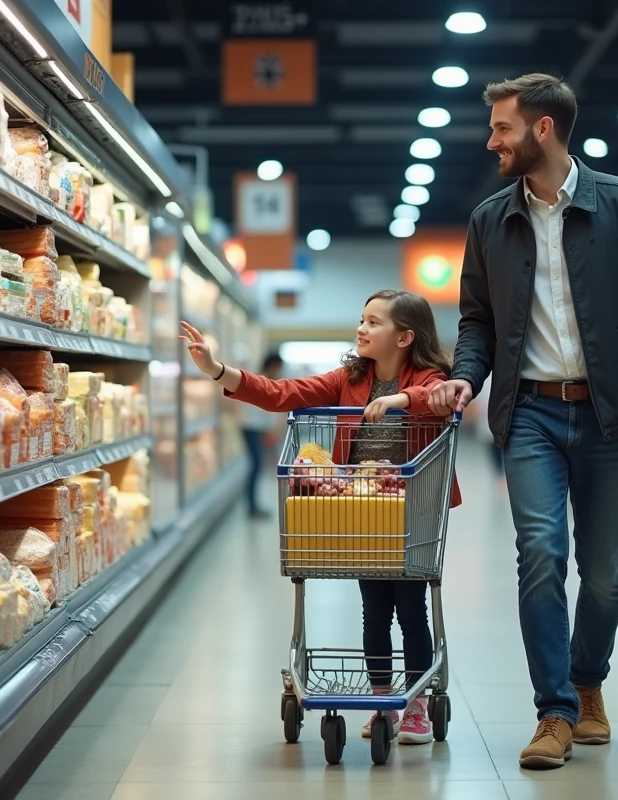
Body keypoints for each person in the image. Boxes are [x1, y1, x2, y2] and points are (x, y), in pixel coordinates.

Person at [429, 73, 618, 770]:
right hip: (531, 414)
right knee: (542, 554)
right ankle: (554, 711)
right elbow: (478, 320)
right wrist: (466, 376)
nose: (492, 141)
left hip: (608, 414)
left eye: (502, 128)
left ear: (542, 129)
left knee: (605, 573)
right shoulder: (490, 220)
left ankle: (587, 680)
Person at [180, 289, 462, 745]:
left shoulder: (430, 376)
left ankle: (415, 706)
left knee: (412, 611)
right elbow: (284, 393)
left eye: (374, 322)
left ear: (405, 337)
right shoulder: (349, 378)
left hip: (411, 513)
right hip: (362, 512)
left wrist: (399, 400)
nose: (361, 328)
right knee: (375, 612)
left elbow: (438, 397)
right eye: (362, 319)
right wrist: (217, 370)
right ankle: (383, 701)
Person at [240, 352, 284, 518]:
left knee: (256, 465)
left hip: (255, 428)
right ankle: (252, 506)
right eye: (278, 368)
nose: (279, 372)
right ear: (272, 366)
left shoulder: (263, 380)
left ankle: (252, 505)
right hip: (251, 427)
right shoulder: (261, 382)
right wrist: (272, 430)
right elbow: (265, 409)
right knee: (256, 465)